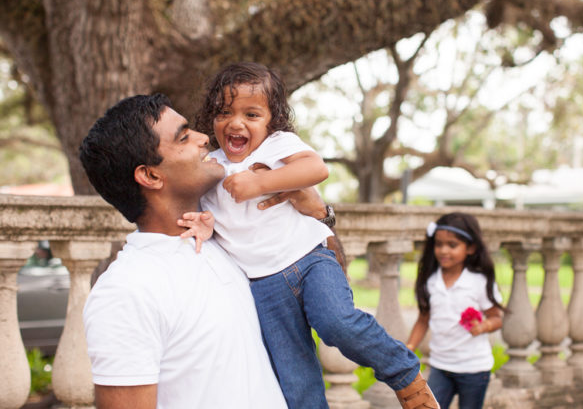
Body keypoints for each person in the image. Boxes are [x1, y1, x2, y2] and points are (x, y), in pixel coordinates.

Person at [186, 61, 439, 409]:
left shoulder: (275, 147)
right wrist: (205, 224)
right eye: (224, 112)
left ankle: (404, 374)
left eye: (252, 114)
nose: (236, 122)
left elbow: (316, 168)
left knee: (337, 323)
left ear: (272, 121)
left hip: (309, 261)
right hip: (263, 287)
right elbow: (218, 218)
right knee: (295, 378)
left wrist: (258, 182)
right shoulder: (211, 167)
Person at [78, 93, 331, 408]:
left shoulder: (227, 240)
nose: (205, 138)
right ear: (150, 175)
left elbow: (329, 274)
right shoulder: (126, 290)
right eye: (184, 137)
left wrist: (319, 212)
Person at [405, 212, 505, 409]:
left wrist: (483, 326)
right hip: (440, 367)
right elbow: (423, 319)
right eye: (439, 244)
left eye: (452, 245)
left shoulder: (478, 281)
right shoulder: (431, 281)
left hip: (474, 369)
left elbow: (497, 318)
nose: (443, 250)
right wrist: (409, 347)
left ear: (470, 248)